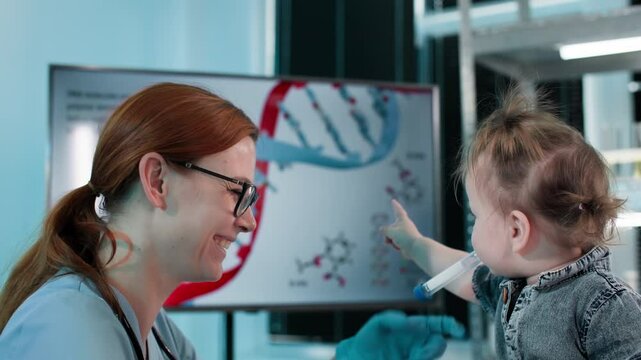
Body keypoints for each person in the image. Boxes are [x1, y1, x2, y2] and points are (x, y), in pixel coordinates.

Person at [0, 82, 464, 359]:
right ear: (157, 180)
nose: (249, 223)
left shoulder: (156, 332)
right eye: (236, 192)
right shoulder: (67, 330)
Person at [383, 86, 641, 359]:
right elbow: (462, 277)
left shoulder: (606, 305)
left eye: (477, 216)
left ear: (516, 230)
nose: (475, 226)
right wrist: (414, 244)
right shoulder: (513, 287)